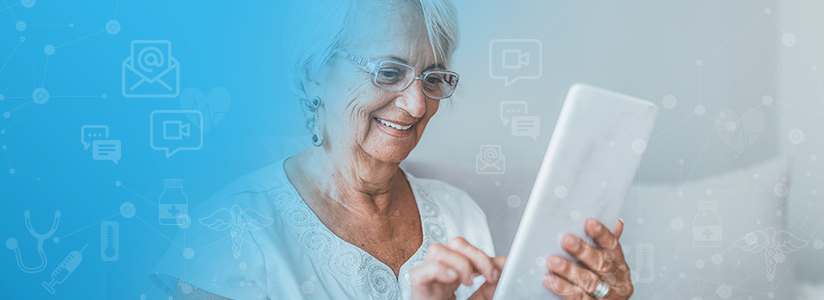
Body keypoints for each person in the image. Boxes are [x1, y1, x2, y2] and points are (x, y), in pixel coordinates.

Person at [150, 0, 634, 299]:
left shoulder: (458, 215)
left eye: (433, 77)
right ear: (311, 73)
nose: (416, 103)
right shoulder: (226, 238)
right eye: (388, 71)